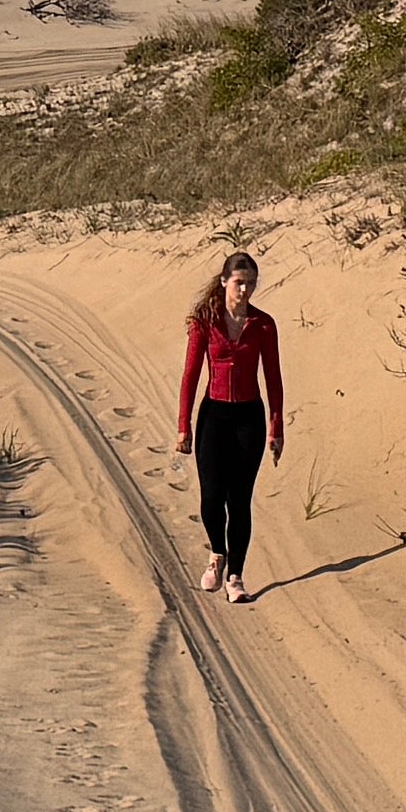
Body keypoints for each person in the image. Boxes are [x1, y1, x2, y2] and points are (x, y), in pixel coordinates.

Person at [171, 251, 286, 600]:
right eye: (239, 283)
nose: (245, 290)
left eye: (251, 284)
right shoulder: (205, 322)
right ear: (224, 282)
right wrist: (184, 425)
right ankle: (217, 555)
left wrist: (275, 428)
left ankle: (235, 577)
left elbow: (274, 378)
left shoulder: (263, 324)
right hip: (214, 417)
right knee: (211, 497)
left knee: (239, 501)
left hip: (248, 418)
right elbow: (190, 375)